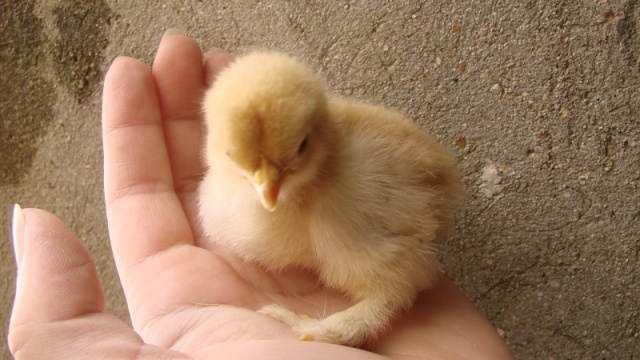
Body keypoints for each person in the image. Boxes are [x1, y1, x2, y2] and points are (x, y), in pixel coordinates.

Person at [8, 30, 514, 359]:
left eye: (293, 152)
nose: (267, 190)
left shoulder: (357, 183)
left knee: (343, 226)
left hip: (365, 200)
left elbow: (412, 258)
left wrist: (347, 326)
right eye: (245, 167)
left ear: (316, 126)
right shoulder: (231, 182)